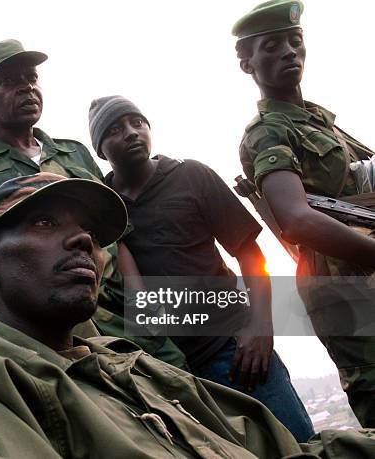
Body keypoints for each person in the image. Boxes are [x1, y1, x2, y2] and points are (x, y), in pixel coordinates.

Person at [0, 173, 375, 458]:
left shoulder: (132, 366)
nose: (84, 242)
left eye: (94, 236)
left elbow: (285, 451)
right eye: (43, 222)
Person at [0, 39, 186, 368]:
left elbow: (118, 240)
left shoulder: (74, 153)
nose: (26, 88)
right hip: (39, 344)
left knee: (179, 400)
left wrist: (144, 305)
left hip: (128, 324)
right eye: (7, 81)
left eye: (31, 78)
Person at [88, 95, 313, 441]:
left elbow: (250, 254)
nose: (132, 133)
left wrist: (260, 327)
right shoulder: (104, 207)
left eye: (137, 123)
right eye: (116, 129)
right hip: (168, 371)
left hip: (236, 353)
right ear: (101, 148)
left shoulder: (191, 176)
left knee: (295, 445)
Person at [234, 0, 375, 426]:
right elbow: (295, 218)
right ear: (247, 63)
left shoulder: (321, 122)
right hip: (344, 287)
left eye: (295, 42)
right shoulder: (267, 133)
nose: (288, 52)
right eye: (272, 46)